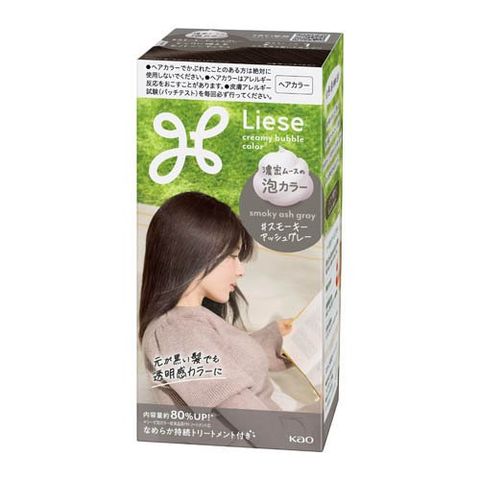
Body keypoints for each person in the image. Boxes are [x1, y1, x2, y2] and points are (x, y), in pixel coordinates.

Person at [139, 191, 295, 411]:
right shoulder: (176, 331)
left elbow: (229, 358)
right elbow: (245, 415)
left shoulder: (188, 324)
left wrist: (276, 337)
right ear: (196, 254)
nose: (240, 271)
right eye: (233, 256)